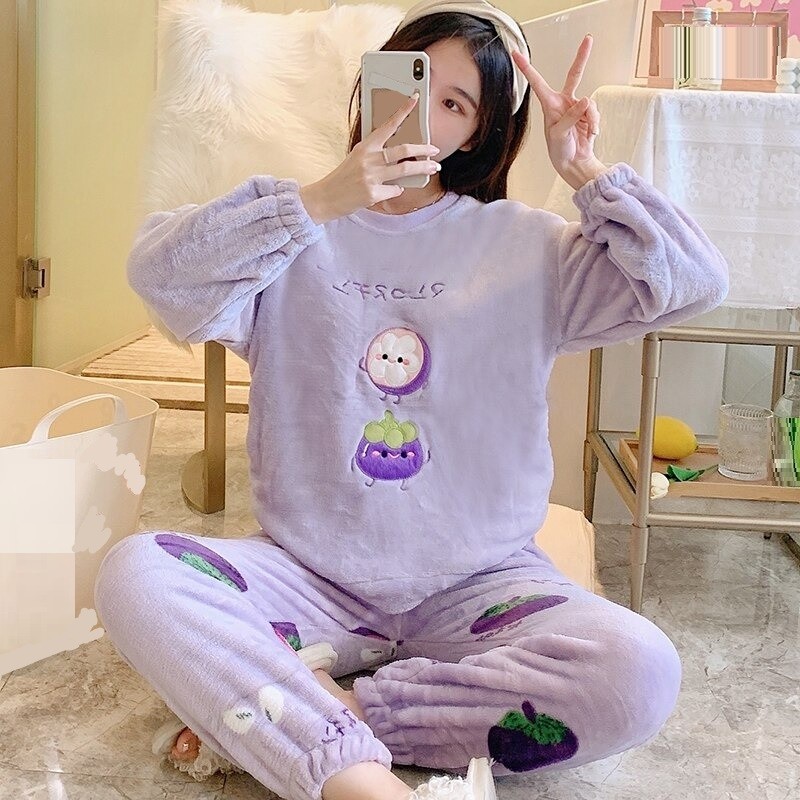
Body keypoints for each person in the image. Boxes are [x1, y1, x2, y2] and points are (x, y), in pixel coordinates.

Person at [94, 0, 729, 798]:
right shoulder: (290, 230)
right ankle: (355, 779)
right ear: (374, 81)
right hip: (308, 579)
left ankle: (326, 712)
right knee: (136, 574)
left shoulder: (529, 246)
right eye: (414, 83)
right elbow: (159, 277)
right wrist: (319, 200)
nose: (424, 113)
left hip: (484, 590)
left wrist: (586, 172)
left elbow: (695, 283)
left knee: (639, 671)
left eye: (456, 103)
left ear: (479, 135)